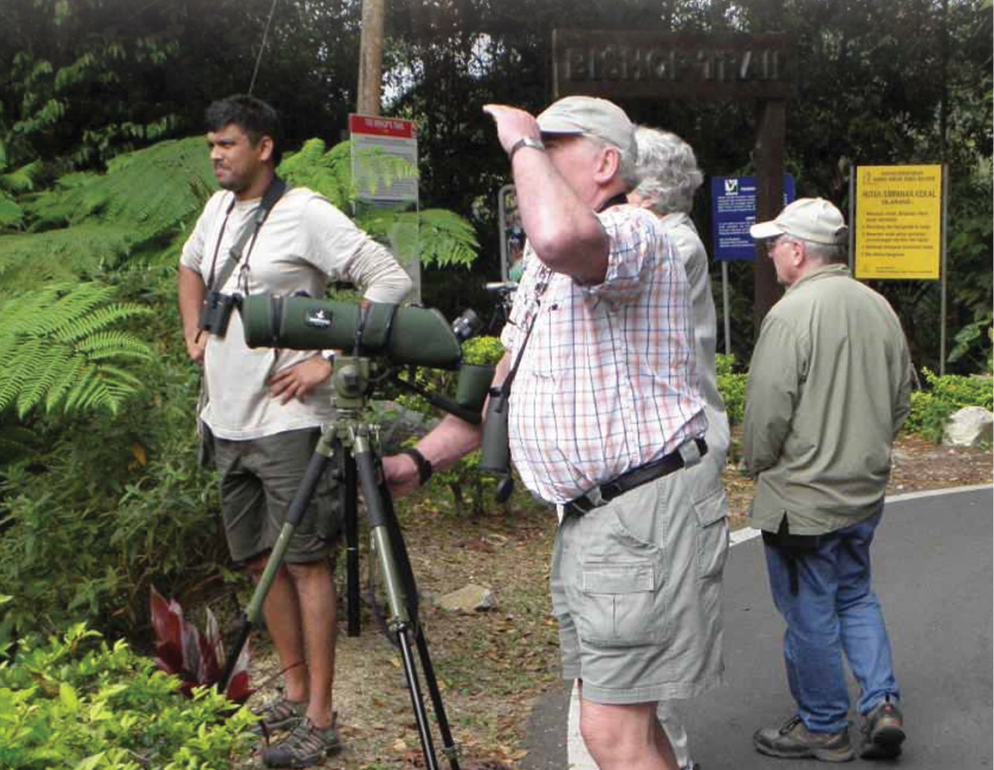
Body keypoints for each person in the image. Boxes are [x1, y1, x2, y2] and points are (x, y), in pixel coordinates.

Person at [383, 96, 723, 770]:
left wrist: (517, 140)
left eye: (552, 144)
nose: (533, 156)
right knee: (630, 721)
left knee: (611, 734)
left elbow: (561, 236)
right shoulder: (547, 270)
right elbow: (503, 384)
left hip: (635, 514)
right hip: (599, 518)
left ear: (604, 162)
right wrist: (417, 465)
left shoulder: (635, 233)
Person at [177, 94, 412, 769]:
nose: (216, 156)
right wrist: (192, 329)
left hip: (288, 420)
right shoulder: (217, 210)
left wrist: (329, 358)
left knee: (306, 562)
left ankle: (320, 718)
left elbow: (387, 279)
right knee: (258, 559)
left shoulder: (304, 212)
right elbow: (190, 266)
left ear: (263, 147)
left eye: (226, 144)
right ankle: (293, 686)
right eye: (211, 145)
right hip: (226, 415)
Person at [743, 198, 911, 762]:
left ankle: (823, 726)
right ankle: (882, 704)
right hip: (863, 492)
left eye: (775, 244)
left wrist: (754, 463)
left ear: (797, 250)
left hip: (804, 500)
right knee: (855, 594)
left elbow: (767, 410)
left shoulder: (792, 314)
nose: (769, 254)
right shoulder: (878, 306)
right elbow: (901, 398)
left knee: (808, 613)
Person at [629, 126, 731, 770]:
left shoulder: (667, 243)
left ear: (647, 192)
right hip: (660, 460)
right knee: (640, 653)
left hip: (669, 464)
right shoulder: (664, 237)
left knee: (651, 651)